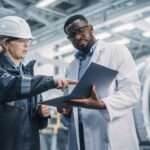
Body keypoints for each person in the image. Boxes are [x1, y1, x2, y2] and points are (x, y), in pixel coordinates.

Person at [58, 15, 141, 150]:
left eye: (80, 30)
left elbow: (132, 93)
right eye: (72, 35)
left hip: (111, 136)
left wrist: (102, 104)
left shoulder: (117, 52)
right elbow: (74, 104)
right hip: (82, 139)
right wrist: (67, 113)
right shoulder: (71, 67)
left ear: (91, 29)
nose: (78, 37)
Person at [0, 16, 76, 150]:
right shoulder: (9, 76)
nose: (26, 45)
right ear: (5, 43)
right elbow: (12, 85)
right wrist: (51, 81)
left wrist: (41, 115)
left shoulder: (28, 75)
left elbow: (40, 125)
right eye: (21, 41)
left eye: (27, 41)